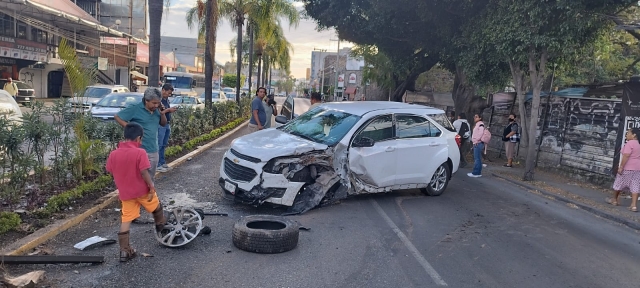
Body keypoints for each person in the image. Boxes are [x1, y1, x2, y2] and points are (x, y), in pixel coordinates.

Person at [106, 123, 165, 262]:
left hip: (126, 193)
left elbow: (110, 170)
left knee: (126, 218)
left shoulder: (114, 154)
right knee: (156, 207)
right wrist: (151, 186)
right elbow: (144, 171)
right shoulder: (140, 152)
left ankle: (124, 251)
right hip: (142, 191)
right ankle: (161, 227)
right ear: (139, 138)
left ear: (125, 136)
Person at [115, 88, 176, 178]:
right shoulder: (135, 108)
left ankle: (148, 192)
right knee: (137, 178)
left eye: (158, 103)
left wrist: (162, 113)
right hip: (138, 150)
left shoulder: (157, 110)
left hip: (153, 150)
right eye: (154, 103)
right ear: (146, 100)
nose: (156, 105)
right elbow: (117, 116)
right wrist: (130, 128)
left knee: (150, 179)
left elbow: (163, 124)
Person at [606, 128, 640, 212]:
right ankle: (634, 205)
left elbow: (626, 155)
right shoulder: (638, 144)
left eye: (628, 133)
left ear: (634, 135)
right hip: (637, 169)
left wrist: (621, 167)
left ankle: (614, 199)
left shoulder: (630, 143)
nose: (626, 135)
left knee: (619, 182)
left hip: (627, 167)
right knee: (635, 185)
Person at [157, 84, 174, 173]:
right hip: (160, 124)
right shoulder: (158, 100)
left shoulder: (166, 100)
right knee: (159, 144)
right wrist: (168, 110)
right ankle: (158, 164)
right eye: (168, 93)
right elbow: (159, 112)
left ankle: (162, 162)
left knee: (163, 144)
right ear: (163, 90)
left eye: (170, 94)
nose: (169, 95)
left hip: (167, 124)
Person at [468, 114, 487, 178]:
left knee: (477, 158)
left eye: (476, 117)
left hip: (478, 143)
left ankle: (476, 172)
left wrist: (476, 140)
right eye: (474, 116)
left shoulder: (480, 124)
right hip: (476, 143)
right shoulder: (478, 124)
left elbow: (480, 133)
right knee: (477, 158)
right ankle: (477, 172)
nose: (474, 118)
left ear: (480, 118)